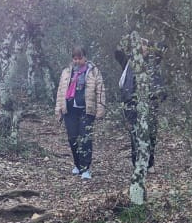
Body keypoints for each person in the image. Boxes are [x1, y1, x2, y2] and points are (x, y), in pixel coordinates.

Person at [55, 46, 105, 180]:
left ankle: (85, 168)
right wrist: (58, 109)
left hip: (86, 110)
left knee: (85, 138)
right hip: (69, 110)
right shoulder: (66, 72)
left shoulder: (94, 72)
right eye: (75, 58)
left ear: (85, 57)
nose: (77, 61)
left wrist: (100, 109)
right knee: (72, 138)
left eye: (80, 58)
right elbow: (60, 91)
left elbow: (100, 91)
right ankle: (77, 164)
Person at [115, 43, 164, 170]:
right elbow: (118, 52)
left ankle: (150, 162)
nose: (142, 48)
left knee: (151, 133)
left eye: (145, 46)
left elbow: (162, 48)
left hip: (150, 103)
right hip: (131, 104)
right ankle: (137, 162)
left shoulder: (153, 63)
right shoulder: (128, 63)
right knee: (134, 134)